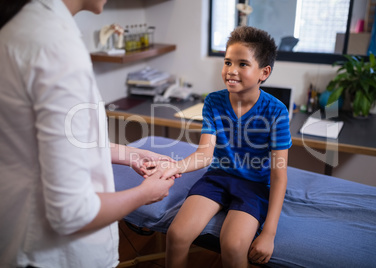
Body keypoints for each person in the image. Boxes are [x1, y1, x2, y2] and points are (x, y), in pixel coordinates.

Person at [0, 0, 175, 267]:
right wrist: (146, 193)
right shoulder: (55, 47)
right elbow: (72, 214)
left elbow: (55, 144)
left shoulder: (23, 28)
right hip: (51, 254)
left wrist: (131, 153)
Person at [143, 26, 292, 267]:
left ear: (264, 72)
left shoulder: (276, 111)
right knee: (177, 235)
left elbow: (279, 174)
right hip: (218, 177)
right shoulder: (213, 102)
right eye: (227, 62)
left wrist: (269, 233)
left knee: (233, 247)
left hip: (253, 186)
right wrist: (172, 168)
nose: (231, 71)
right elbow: (204, 154)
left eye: (243, 64)